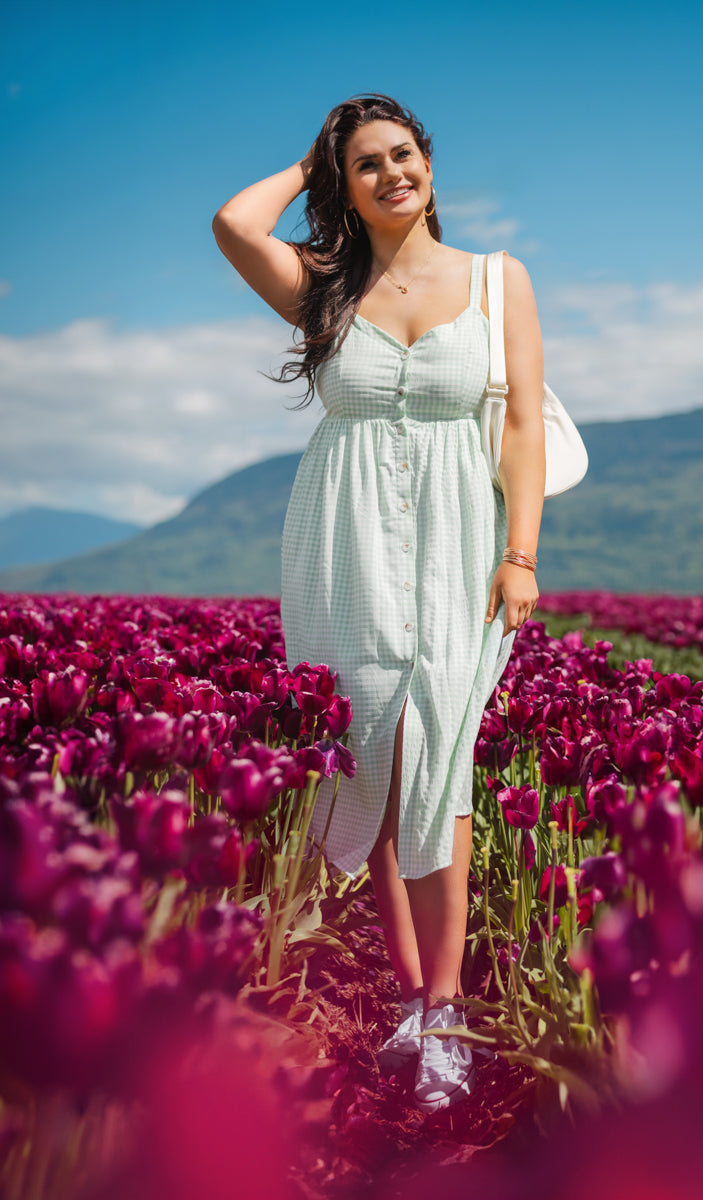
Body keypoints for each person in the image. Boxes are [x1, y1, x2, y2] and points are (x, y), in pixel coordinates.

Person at [212, 94, 545, 1112]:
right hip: (344, 546)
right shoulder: (322, 287)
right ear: (342, 187)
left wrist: (520, 555)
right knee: (379, 764)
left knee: (441, 762)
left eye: (403, 155)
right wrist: (310, 157)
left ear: (429, 165)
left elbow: (523, 425)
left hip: (458, 545)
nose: (391, 173)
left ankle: (446, 1013)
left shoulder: (496, 279)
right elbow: (233, 223)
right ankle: (412, 1001)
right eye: (365, 164)